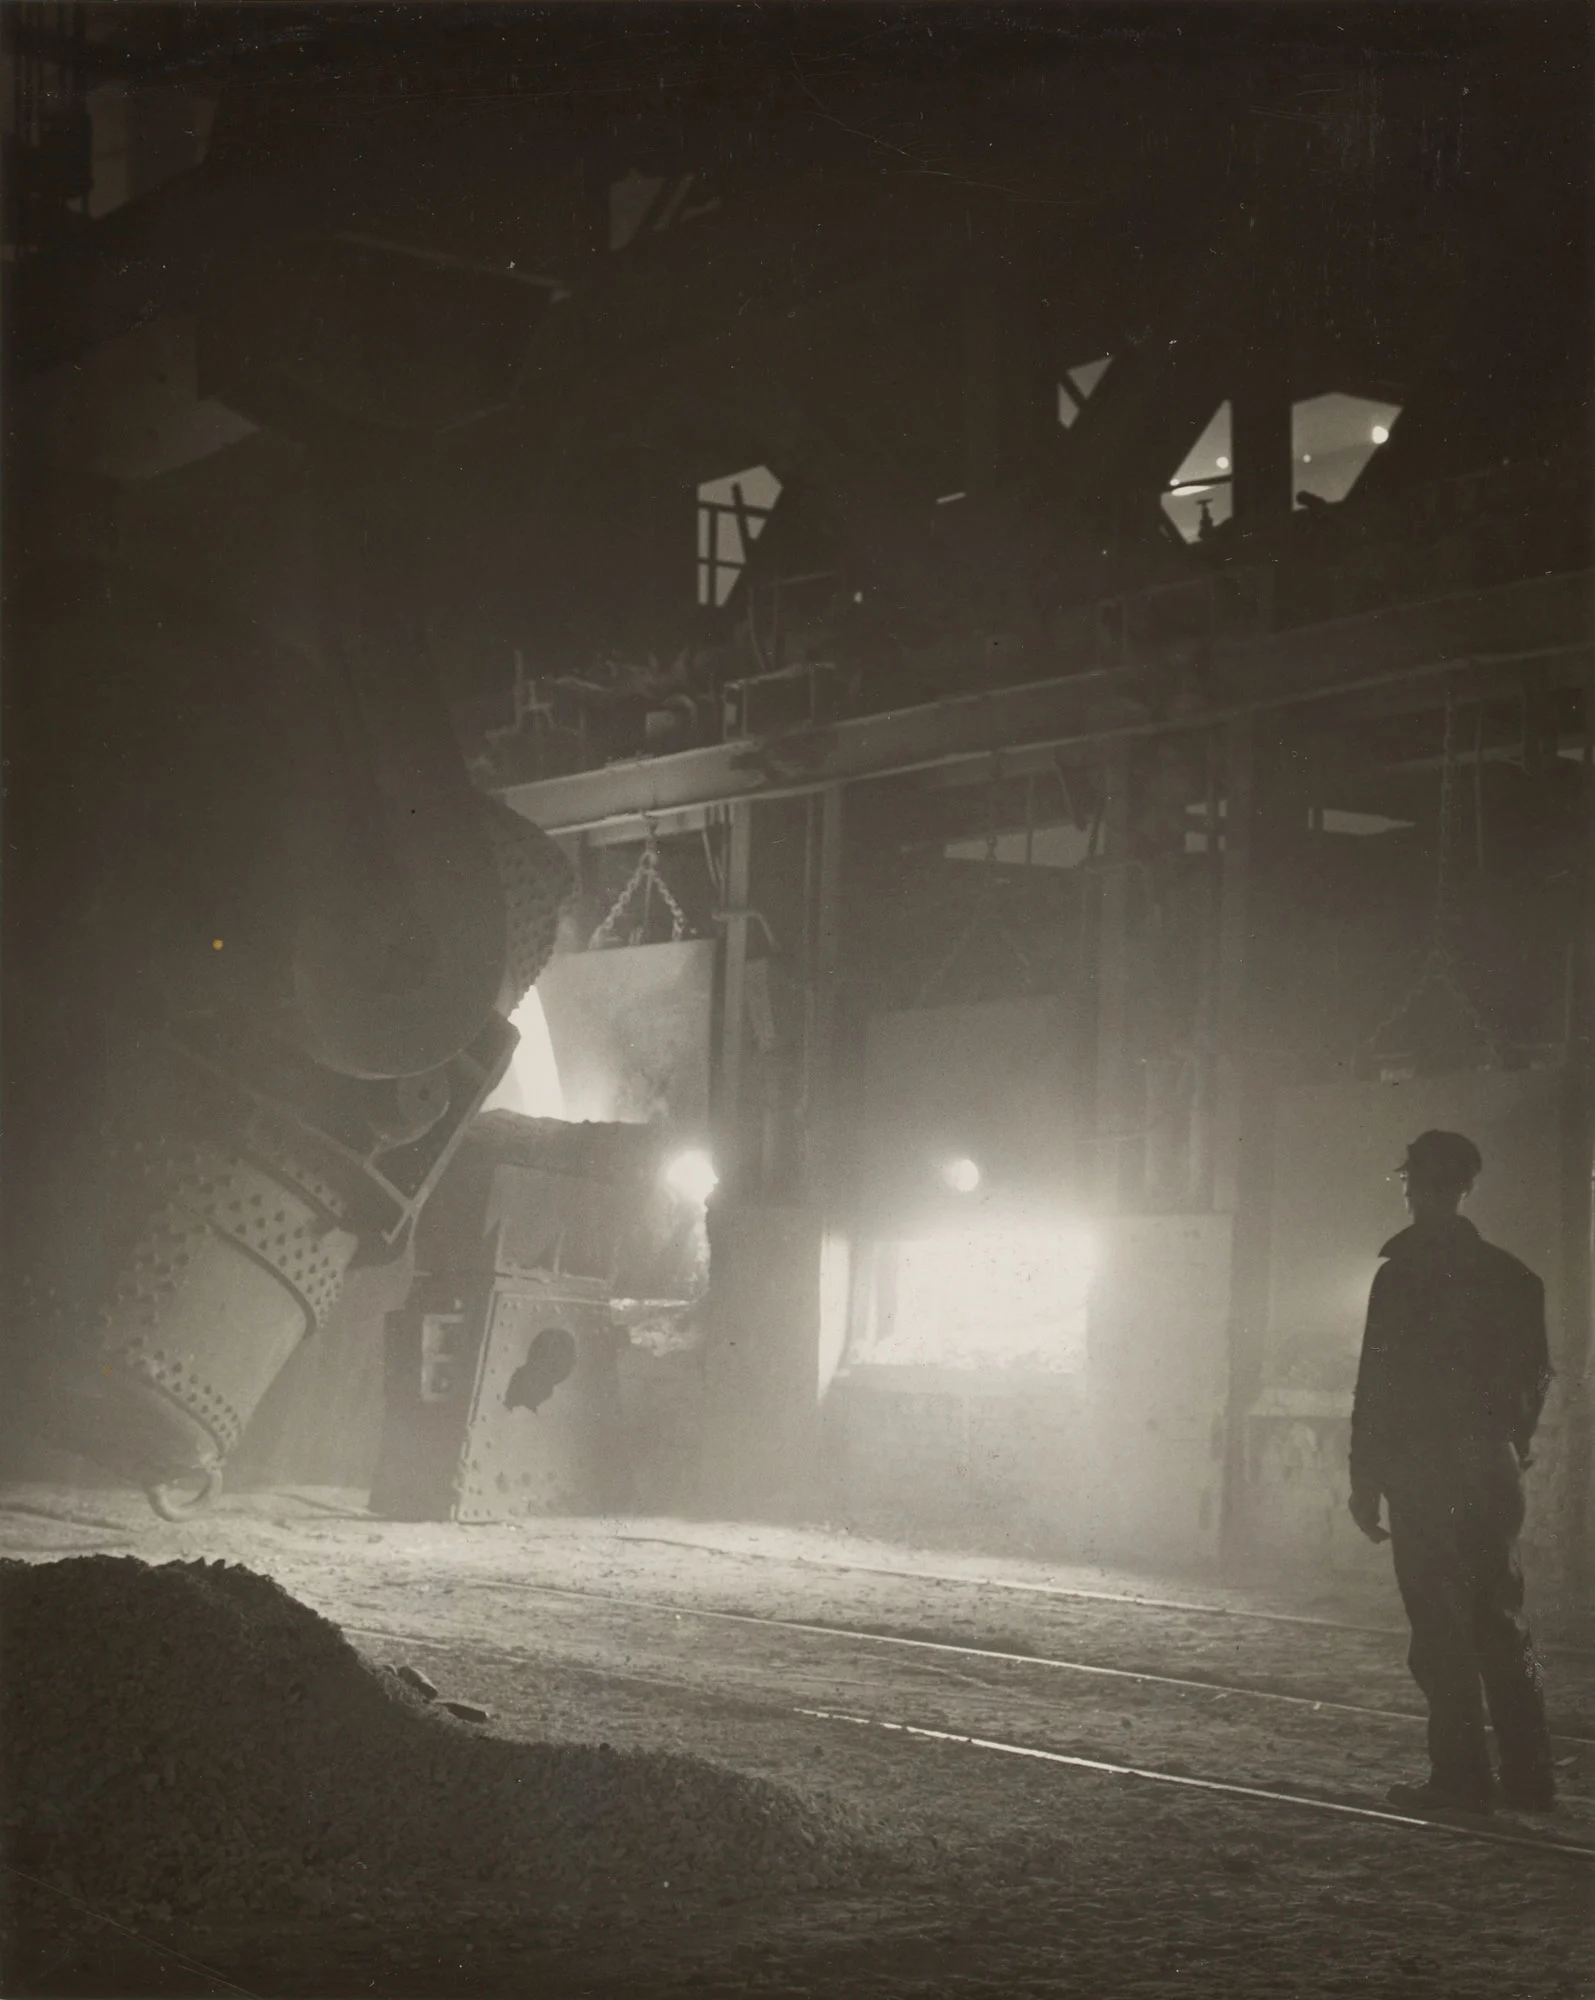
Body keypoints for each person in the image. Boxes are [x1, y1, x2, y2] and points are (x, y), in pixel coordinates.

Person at [1347, 1129, 1556, 1815]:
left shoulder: (1399, 1273)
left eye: (1422, 1184)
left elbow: (1374, 1382)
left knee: (1439, 1628)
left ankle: (1460, 1774)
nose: (1417, 1196)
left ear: (1439, 1188)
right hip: (1491, 1472)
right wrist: (1507, 1449)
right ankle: (1530, 1771)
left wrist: (1365, 1476)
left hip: (1422, 1471)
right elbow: (1535, 1378)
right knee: (1503, 1621)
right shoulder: (1515, 1278)